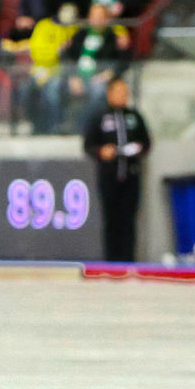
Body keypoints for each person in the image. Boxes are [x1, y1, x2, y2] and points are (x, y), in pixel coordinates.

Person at [83, 77, 152, 262]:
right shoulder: (100, 117)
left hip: (131, 175)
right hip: (109, 175)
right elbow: (89, 145)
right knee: (111, 220)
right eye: (119, 91)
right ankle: (111, 261)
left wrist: (138, 149)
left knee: (129, 220)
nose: (123, 96)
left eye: (125, 92)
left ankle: (128, 259)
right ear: (110, 93)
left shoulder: (134, 116)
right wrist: (101, 152)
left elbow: (146, 142)